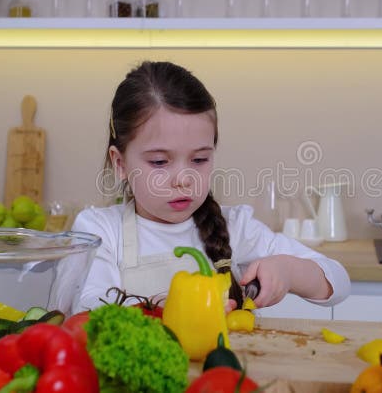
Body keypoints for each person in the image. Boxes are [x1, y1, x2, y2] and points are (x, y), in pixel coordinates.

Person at [73, 61, 350, 313]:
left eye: (200, 159)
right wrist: (160, 309)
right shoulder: (99, 231)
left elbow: (338, 282)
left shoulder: (236, 227)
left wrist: (289, 271)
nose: (183, 179)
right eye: (159, 161)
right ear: (120, 163)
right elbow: (87, 308)